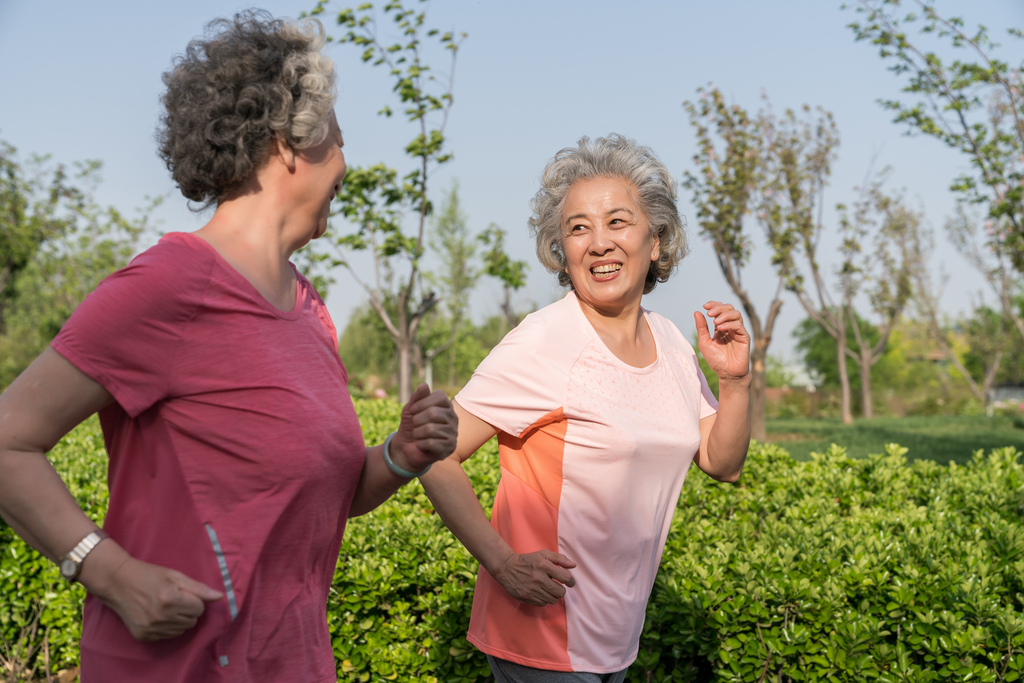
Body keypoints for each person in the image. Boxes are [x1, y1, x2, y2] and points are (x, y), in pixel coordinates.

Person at [0, 12, 457, 683]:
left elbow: (316, 497)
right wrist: (111, 572)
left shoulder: (310, 311)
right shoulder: (168, 286)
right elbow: (8, 440)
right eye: (338, 140)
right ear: (286, 144)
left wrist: (401, 454)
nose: (346, 164)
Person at [420, 134, 752, 682]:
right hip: (542, 632)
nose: (598, 242)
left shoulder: (670, 341)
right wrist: (501, 563)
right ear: (562, 249)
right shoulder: (544, 340)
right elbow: (432, 455)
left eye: (617, 222)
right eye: (578, 228)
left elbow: (723, 462)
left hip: (615, 636)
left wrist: (735, 380)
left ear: (656, 242)